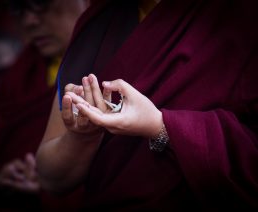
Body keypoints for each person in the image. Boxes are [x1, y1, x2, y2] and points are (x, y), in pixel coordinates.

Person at [36, 0, 258, 211]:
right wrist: (83, 137)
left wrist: (160, 126)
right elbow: (50, 178)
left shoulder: (242, 19)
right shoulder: (101, 21)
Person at [0, 0, 89, 210]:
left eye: (41, 4)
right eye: (20, 9)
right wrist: (6, 175)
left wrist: (51, 187)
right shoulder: (20, 73)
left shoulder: (111, 64)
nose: (29, 21)